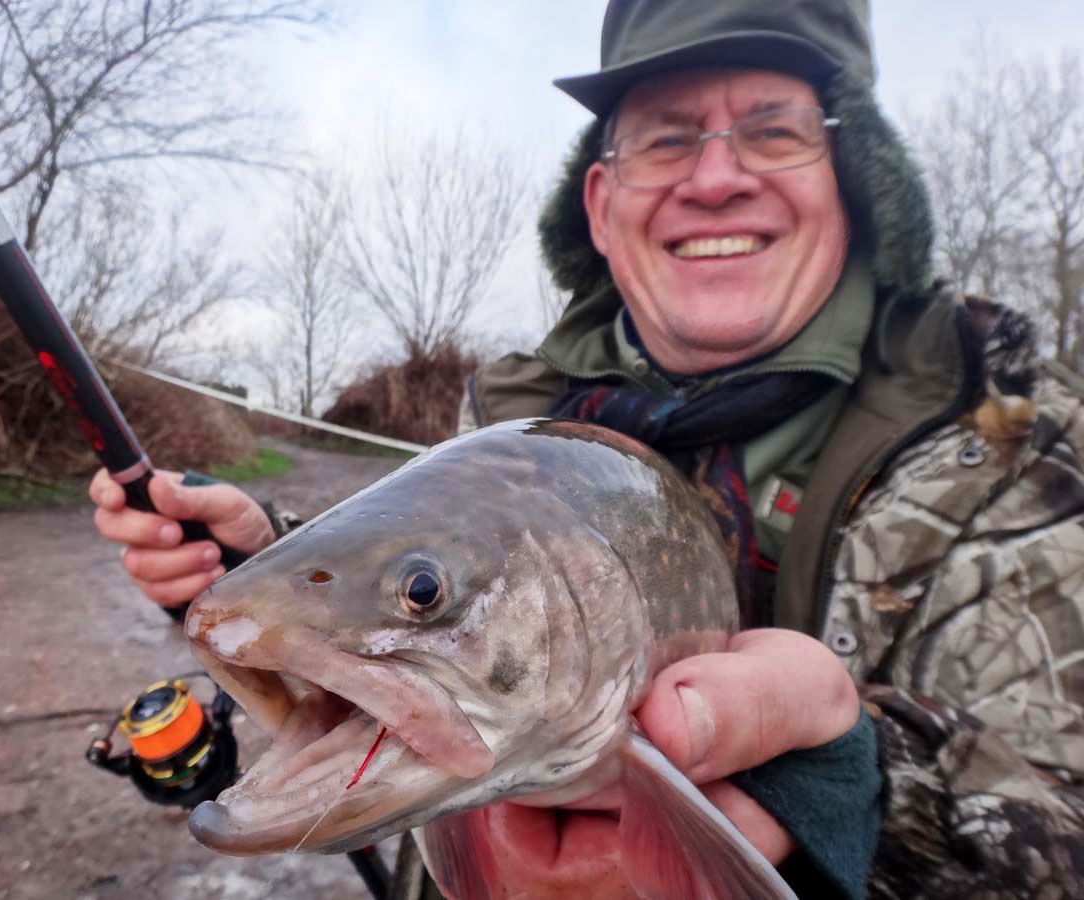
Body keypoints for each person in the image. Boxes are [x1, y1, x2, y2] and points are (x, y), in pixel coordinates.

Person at [90, 0, 1084, 896]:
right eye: (668, 139)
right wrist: (284, 554)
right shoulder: (514, 428)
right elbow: (464, 625)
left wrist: (861, 796)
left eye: (772, 132)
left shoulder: (1011, 450)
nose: (716, 177)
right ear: (602, 204)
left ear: (859, 180)